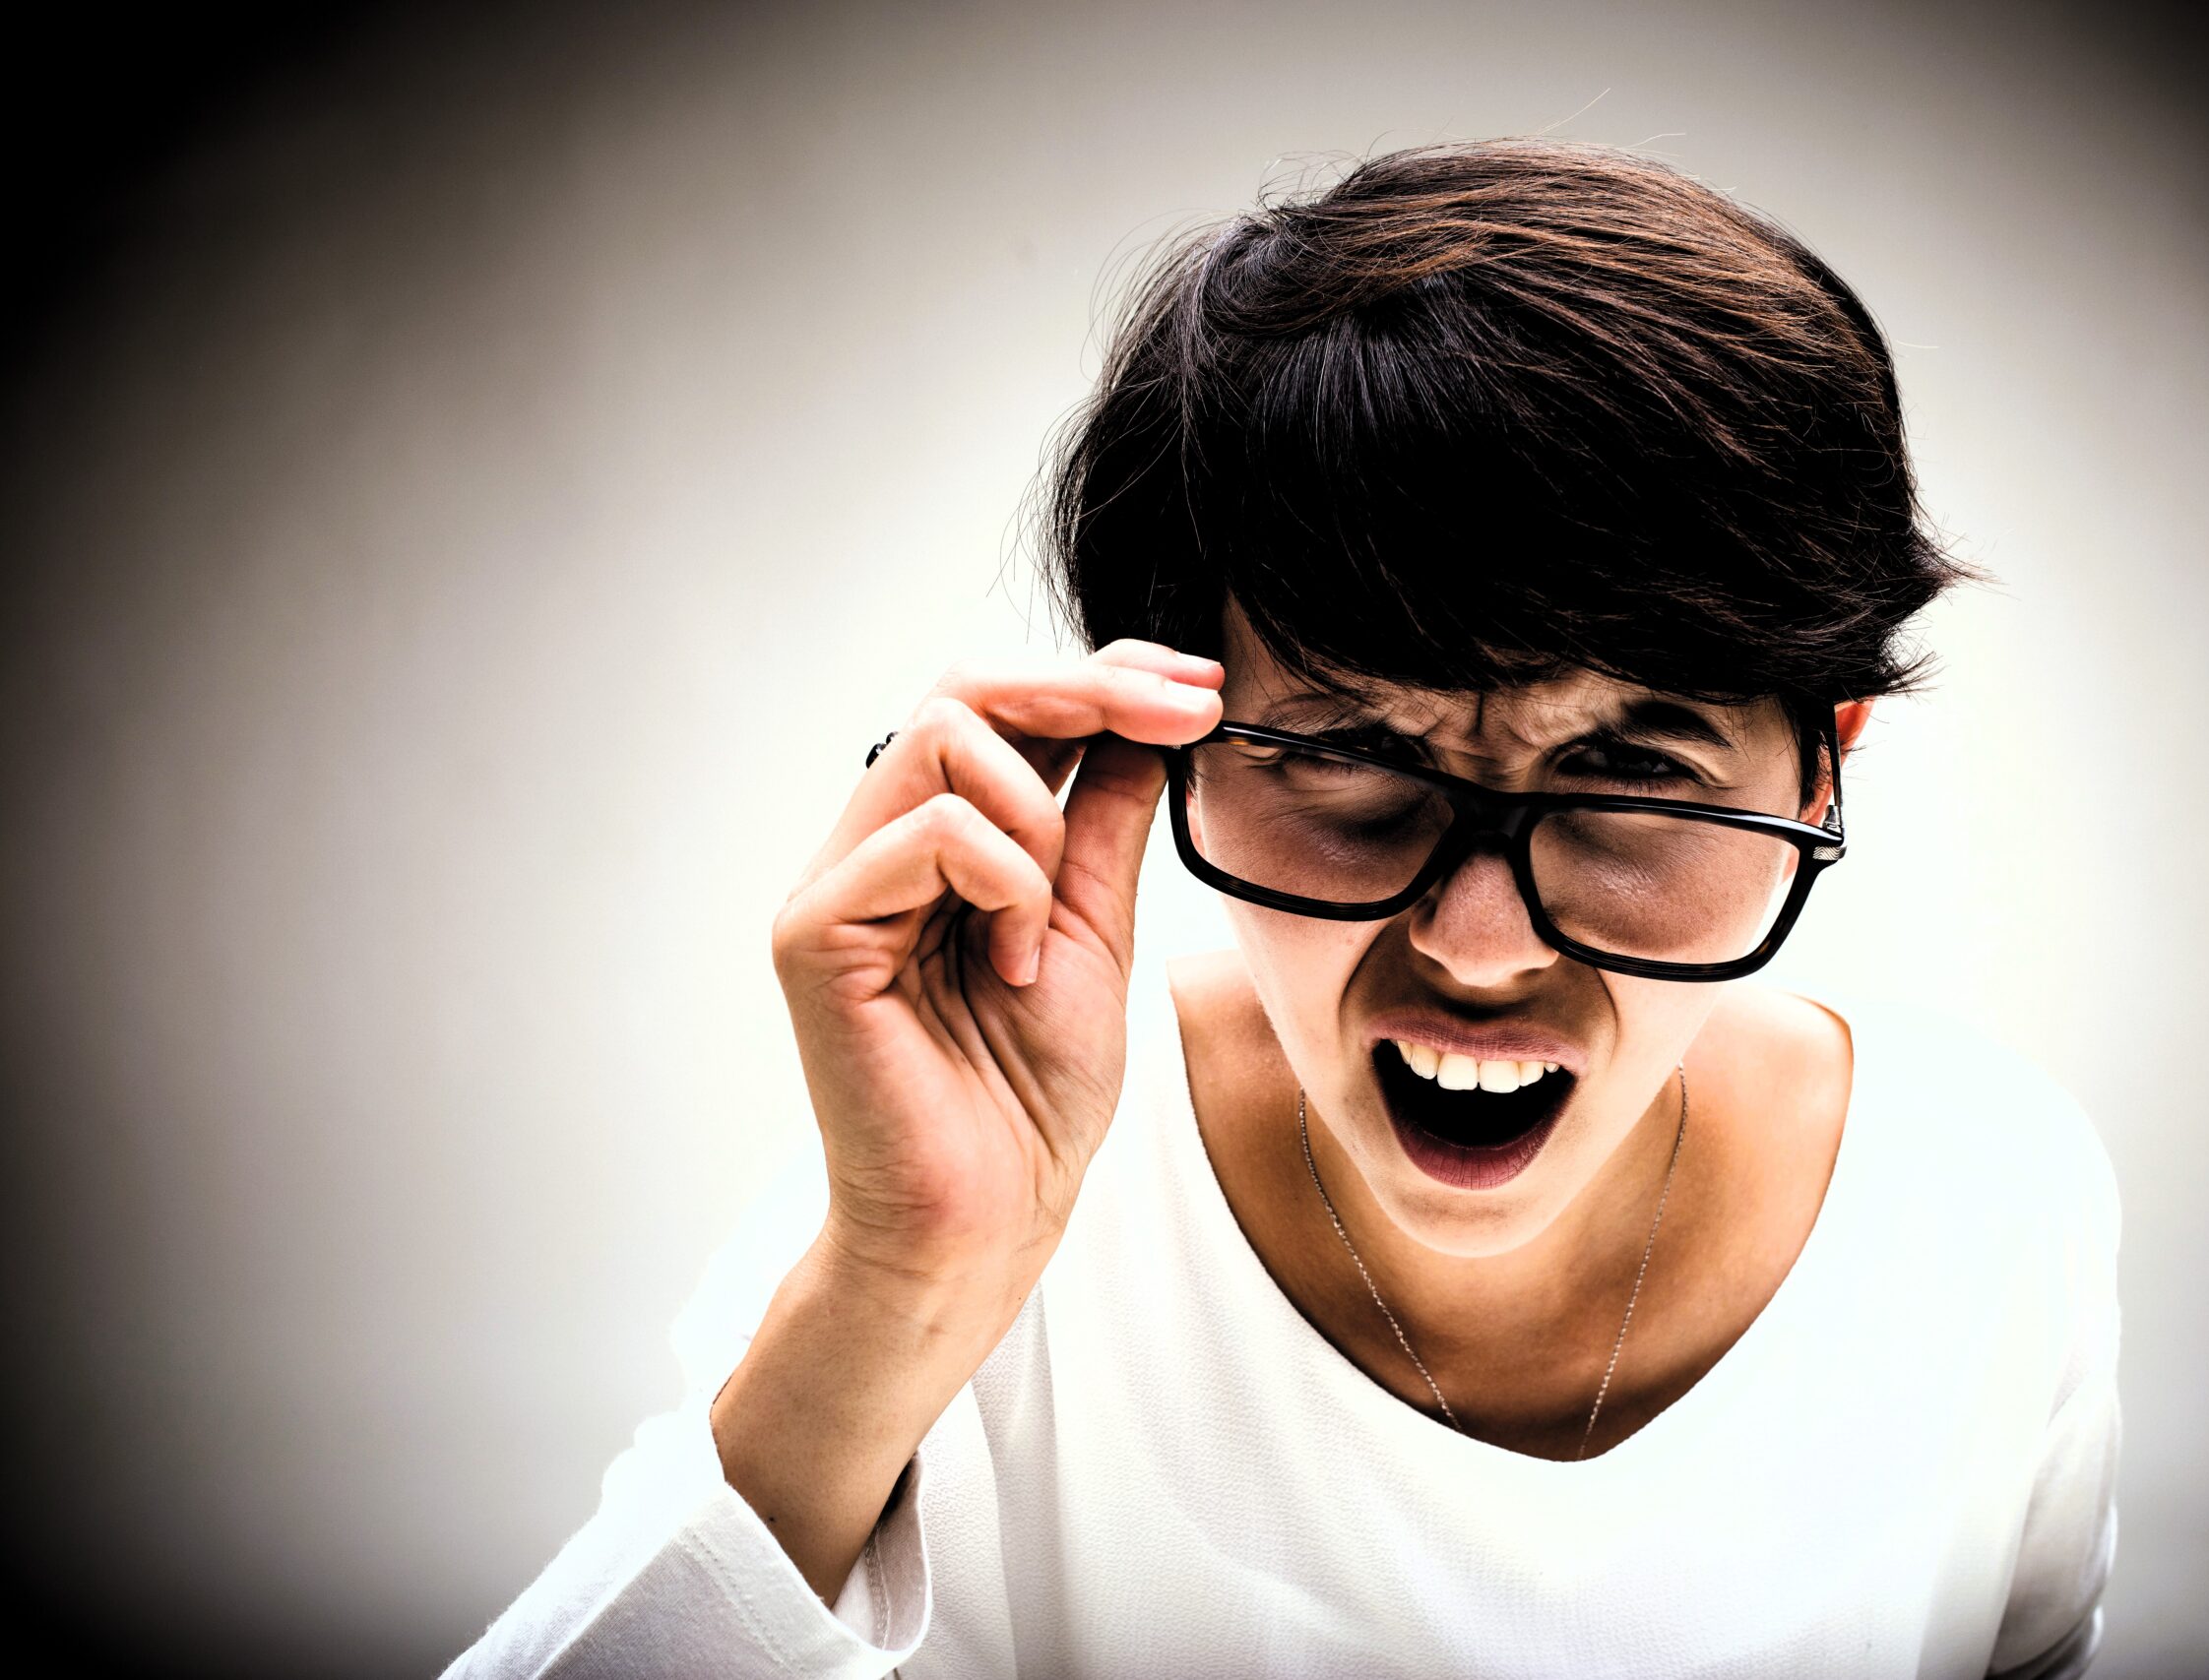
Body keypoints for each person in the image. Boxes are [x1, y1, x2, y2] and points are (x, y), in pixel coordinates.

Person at [449, 138, 2120, 1679]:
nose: (1478, 945)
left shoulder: (1991, 1201)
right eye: (1347, 758)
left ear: (1824, 770)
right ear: (1157, 737)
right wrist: (901, 1284)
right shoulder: (990, 1198)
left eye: (1629, 775)